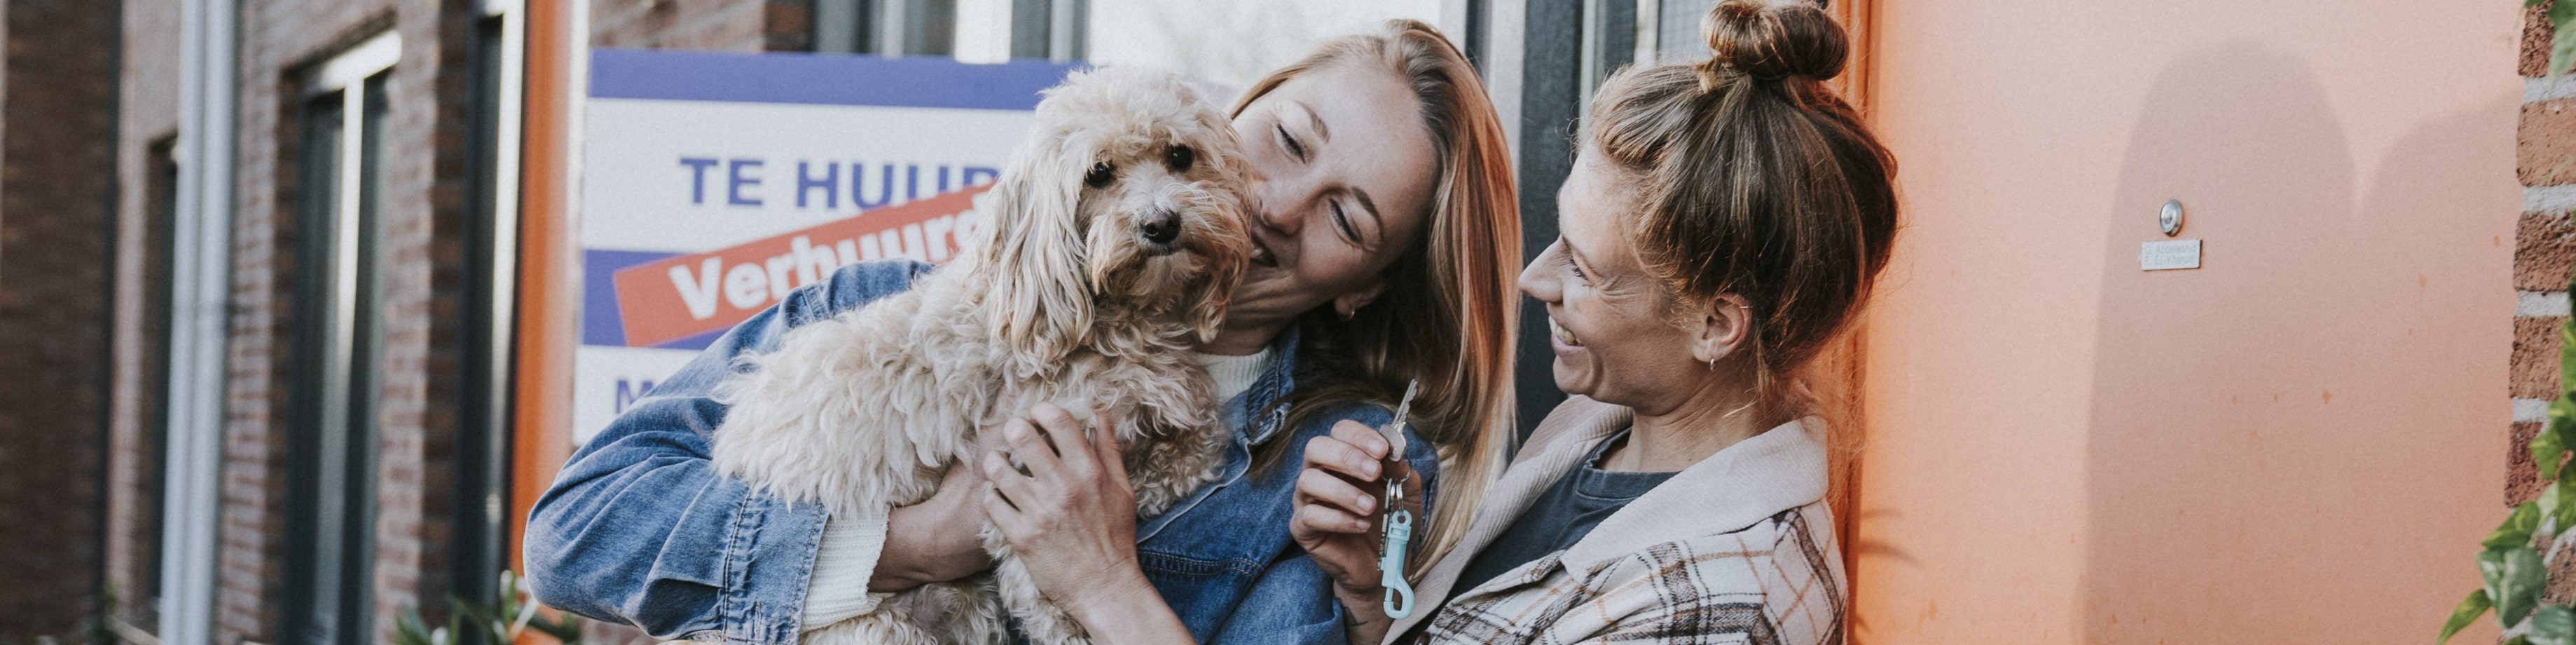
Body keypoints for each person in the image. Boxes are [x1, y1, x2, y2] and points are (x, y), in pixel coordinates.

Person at [521, 20, 1520, 645]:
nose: (1276, 203)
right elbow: (572, 537)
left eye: (1348, 219)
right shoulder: (882, 305)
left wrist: (1102, 579)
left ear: (1367, 289)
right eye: (1286, 140)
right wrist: (911, 545)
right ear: (1234, 115)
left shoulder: (1328, 477)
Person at [1293, 1, 1899, 643]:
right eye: (1560, 235)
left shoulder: (1718, 615)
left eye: (1584, 269)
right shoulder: (1601, 423)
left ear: (1715, 324)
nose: (1533, 280)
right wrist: (1375, 584)